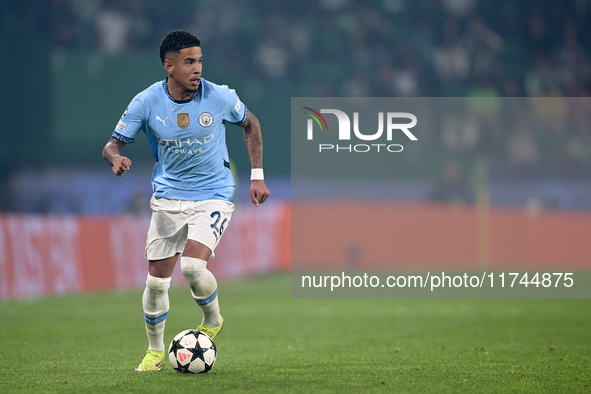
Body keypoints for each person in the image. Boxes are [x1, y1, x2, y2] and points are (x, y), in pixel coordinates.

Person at [102, 30, 270, 371]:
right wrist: (115, 159)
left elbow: (250, 123)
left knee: (193, 267)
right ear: (169, 66)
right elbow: (112, 145)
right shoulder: (146, 102)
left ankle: (212, 318)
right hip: (167, 198)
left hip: (214, 194)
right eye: (189, 62)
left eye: (200, 60)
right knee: (156, 282)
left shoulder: (219, 96)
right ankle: (154, 351)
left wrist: (257, 176)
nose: (197, 69)